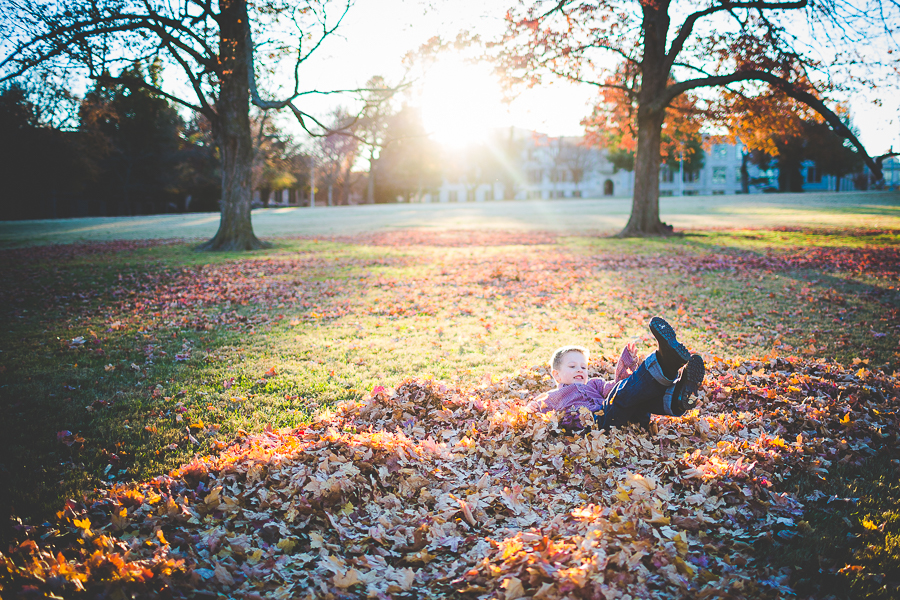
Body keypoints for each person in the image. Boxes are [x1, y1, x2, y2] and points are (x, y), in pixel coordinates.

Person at [531, 317, 705, 431]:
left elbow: (619, 386)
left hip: (628, 419)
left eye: (583, 367)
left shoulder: (594, 385)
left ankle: (678, 398)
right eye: (572, 366)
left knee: (633, 397)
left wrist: (627, 362)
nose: (579, 370)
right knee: (621, 398)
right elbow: (535, 409)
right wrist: (529, 409)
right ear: (557, 375)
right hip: (598, 424)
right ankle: (667, 367)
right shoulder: (554, 396)